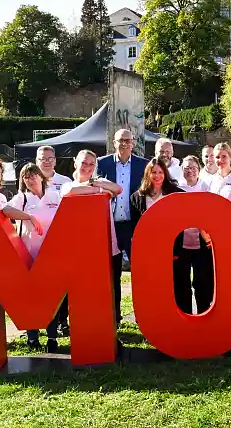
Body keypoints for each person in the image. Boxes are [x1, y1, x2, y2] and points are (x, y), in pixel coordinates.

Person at [60, 150, 123, 333]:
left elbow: (118, 189)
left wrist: (96, 184)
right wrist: (99, 189)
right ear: (75, 163)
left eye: (91, 164)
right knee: (82, 288)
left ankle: (106, 323)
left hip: (105, 244)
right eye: (84, 163)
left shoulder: (101, 181)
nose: (87, 167)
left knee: (105, 287)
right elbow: (71, 191)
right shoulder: (68, 184)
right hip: (81, 247)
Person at [97, 129, 148, 325]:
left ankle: (143, 315)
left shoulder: (143, 165)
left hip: (135, 225)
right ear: (114, 142)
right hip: (110, 225)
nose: (124, 144)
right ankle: (115, 315)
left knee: (141, 272)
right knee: (112, 273)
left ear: (133, 143)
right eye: (121, 140)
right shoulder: (102, 164)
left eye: (128, 140)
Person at [9, 163, 62, 352]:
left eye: (33, 176)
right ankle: (32, 337)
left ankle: (52, 336)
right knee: (31, 297)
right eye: (26, 177)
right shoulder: (22, 198)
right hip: (29, 253)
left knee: (52, 297)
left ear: (41, 176)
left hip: (51, 254)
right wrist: (28, 217)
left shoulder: (55, 195)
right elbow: (6, 211)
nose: (30, 180)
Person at [176, 155, 213, 314]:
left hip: (201, 242)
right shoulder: (176, 188)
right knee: (181, 281)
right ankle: (185, 314)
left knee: (202, 281)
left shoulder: (206, 187)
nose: (190, 171)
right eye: (186, 168)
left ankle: (204, 312)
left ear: (199, 170)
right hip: (181, 243)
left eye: (193, 168)